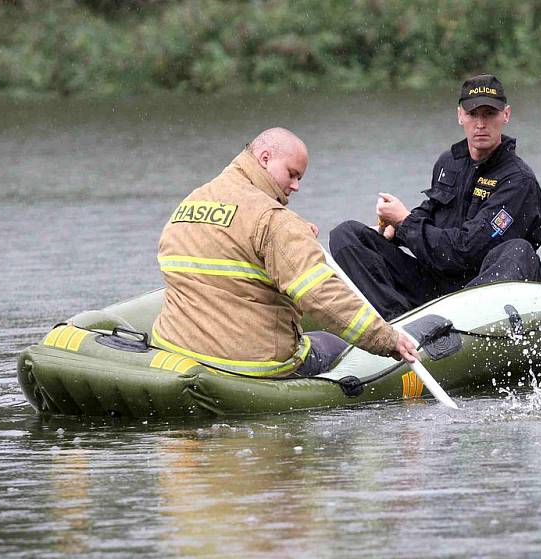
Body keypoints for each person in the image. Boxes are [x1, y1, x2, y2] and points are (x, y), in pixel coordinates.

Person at [152, 127, 418, 377]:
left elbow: (230, 249)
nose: (295, 186)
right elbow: (323, 296)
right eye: (292, 173)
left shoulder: (191, 202)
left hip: (177, 347)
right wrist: (387, 339)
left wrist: (296, 239)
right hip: (251, 362)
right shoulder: (275, 220)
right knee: (333, 344)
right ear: (265, 158)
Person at [329, 73, 541, 320]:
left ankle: (463, 327)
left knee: (519, 250)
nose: (480, 124)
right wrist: (395, 229)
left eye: (489, 114)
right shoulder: (449, 163)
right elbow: (432, 209)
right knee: (346, 234)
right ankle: (397, 324)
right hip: (433, 283)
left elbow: (465, 252)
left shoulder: (518, 181)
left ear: (506, 115)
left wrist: (405, 223)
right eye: (473, 114)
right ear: (460, 116)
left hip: (479, 291)